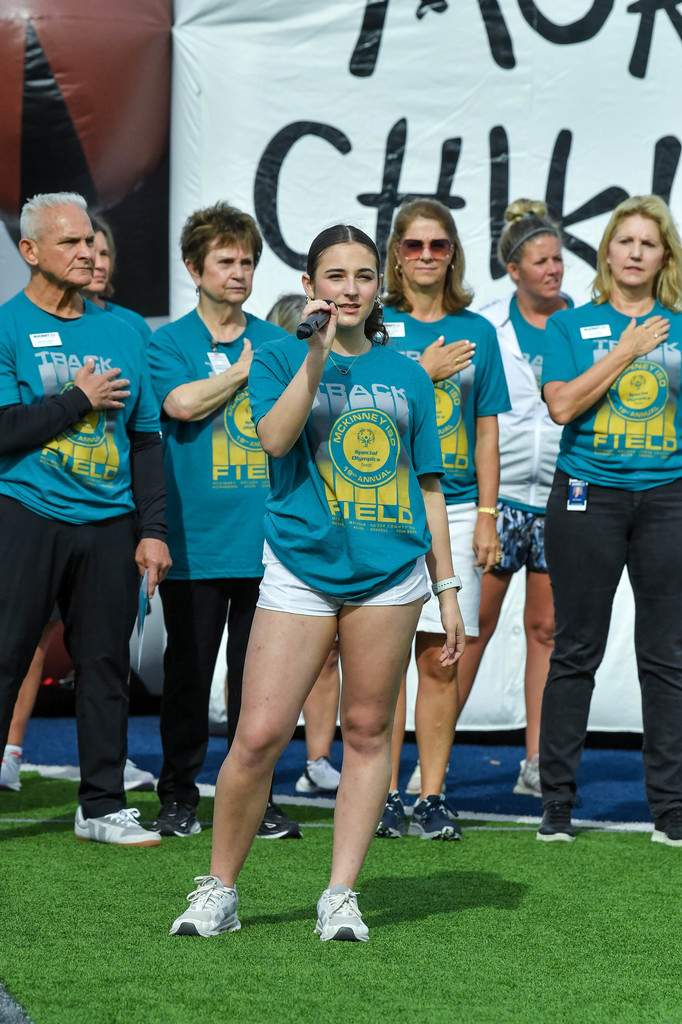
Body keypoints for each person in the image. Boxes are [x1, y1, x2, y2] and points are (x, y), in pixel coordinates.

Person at [169, 224, 465, 941]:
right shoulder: (276, 355)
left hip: (390, 574)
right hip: (300, 568)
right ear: (310, 286)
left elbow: (428, 486)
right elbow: (274, 439)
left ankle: (340, 893)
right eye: (335, 276)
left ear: (379, 286)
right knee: (259, 735)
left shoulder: (407, 374)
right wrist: (315, 355)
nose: (350, 289)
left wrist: (448, 589)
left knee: (366, 731)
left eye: (364, 276)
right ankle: (220, 889)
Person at [0, 192, 171, 845]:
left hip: (109, 522)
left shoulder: (126, 330)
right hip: (25, 512)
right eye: (69, 242)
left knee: (104, 665)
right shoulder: (7, 327)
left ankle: (101, 806)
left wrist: (153, 530)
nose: (87, 252)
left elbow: (147, 439)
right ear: (30, 251)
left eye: (90, 241)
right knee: (5, 658)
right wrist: (77, 398)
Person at [147, 202, 300, 840]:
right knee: (188, 676)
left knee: (258, 685)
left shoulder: (279, 341)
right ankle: (178, 795)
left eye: (248, 262)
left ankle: (255, 801)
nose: (239, 273)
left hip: (269, 541)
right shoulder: (169, 342)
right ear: (194, 268)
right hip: (196, 541)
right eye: (226, 261)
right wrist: (242, 371)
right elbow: (180, 404)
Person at [537, 194, 682, 846]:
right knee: (575, 651)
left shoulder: (679, 325)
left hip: (668, 499)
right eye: (626, 241)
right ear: (608, 252)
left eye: (648, 243)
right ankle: (556, 806)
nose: (635, 252)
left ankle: (670, 811)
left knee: (667, 657)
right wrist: (627, 350)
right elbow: (563, 406)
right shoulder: (571, 324)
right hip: (586, 497)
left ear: (664, 256)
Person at [377, 198, 510, 840]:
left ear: (453, 253)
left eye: (439, 245)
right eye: (414, 245)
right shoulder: (373, 325)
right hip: (382, 505)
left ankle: (431, 796)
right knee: (383, 661)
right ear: (396, 255)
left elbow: (487, 433)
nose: (426, 255)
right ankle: (380, 795)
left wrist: (487, 515)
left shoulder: (477, 331)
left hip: (456, 508)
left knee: (442, 659)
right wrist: (420, 372)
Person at [451, 200, 570, 798]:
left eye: (558, 259)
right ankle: (432, 761)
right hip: (498, 503)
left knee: (546, 630)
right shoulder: (486, 323)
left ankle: (537, 763)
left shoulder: (582, 320)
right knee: (474, 626)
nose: (554, 269)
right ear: (514, 269)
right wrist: (484, 508)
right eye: (541, 261)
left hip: (563, 495)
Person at [266, 292, 342, 795]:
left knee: (330, 655)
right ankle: (257, 762)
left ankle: (318, 759)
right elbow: (274, 440)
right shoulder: (270, 366)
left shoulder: (349, 374)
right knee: (258, 659)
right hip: (278, 529)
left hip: (333, 528)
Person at [81, 215, 152, 345]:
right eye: (91, 254)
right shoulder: (44, 319)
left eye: (104, 254)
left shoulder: (133, 324)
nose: (100, 265)